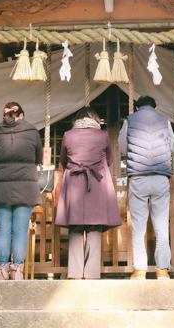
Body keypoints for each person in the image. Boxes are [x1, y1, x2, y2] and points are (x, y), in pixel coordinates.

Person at [55, 107, 122, 279]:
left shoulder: (68, 135)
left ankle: (75, 273)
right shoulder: (103, 135)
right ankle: (92, 274)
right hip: (96, 183)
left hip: (74, 183)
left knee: (75, 227)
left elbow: (63, 160)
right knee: (94, 227)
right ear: (95, 119)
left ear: (76, 119)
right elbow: (109, 160)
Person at [118, 95, 174, 280]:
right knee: (161, 226)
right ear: (155, 108)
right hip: (160, 177)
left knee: (139, 227)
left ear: (136, 108)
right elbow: (172, 145)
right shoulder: (164, 120)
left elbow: (122, 147)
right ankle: (162, 270)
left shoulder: (130, 120)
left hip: (139, 177)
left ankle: (140, 271)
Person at [0, 102, 43, 280]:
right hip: (26, 186)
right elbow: (39, 157)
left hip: (2, 186)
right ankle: (17, 270)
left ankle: (2, 270)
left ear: (5, 115)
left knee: (3, 229)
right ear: (21, 115)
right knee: (20, 229)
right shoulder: (31, 131)